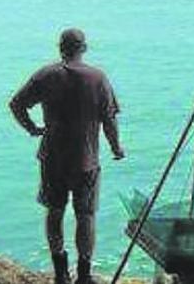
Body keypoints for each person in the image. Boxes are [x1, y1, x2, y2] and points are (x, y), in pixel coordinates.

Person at [9, 28, 125, 284]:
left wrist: (33, 129)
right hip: (86, 161)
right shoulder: (97, 78)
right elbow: (109, 120)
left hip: (52, 158)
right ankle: (84, 276)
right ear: (83, 48)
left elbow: (16, 104)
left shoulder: (46, 75)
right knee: (86, 216)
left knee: (55, 212)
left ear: (60, 47)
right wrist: (116, 148)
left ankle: (60, 273)